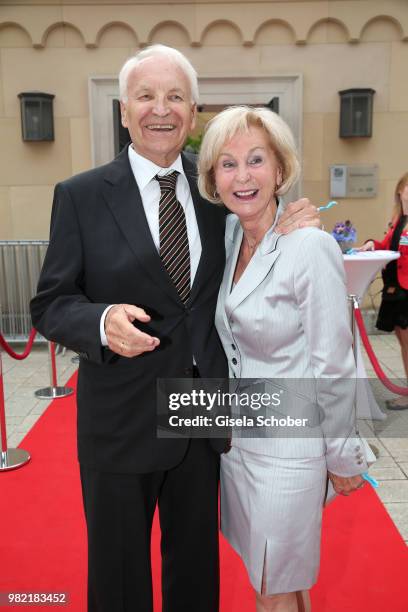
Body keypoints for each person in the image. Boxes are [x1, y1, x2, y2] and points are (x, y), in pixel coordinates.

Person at [30, 46, 320, 612]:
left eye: (174, 97)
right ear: (123, 110)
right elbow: (51, 301)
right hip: (120, 421)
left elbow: (257, 226)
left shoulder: (217, 190)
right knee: (118, 582)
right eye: (145, 96)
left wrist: (288, 220)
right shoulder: (81, 196)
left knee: (195, 577)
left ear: (193, 113)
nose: (159, 110)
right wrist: (100, 320)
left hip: (200, 420)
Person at [197, 105, 368, 612]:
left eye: (255, 160)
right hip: (239, 447)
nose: (242, 176)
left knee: (272, 589)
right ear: (214, 178)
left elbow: (333, 365)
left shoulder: (310, 247)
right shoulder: (228, 238)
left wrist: (342, 457)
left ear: (279, 170)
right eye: (227, 164)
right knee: (280, 581)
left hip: (290, 454)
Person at [358, 172, 408, 410]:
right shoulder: (399, 220)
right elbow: (388, 246)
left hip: (406, 291)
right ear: (400, 190)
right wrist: (371, 244)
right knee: (402, 341)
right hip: (396, 290)